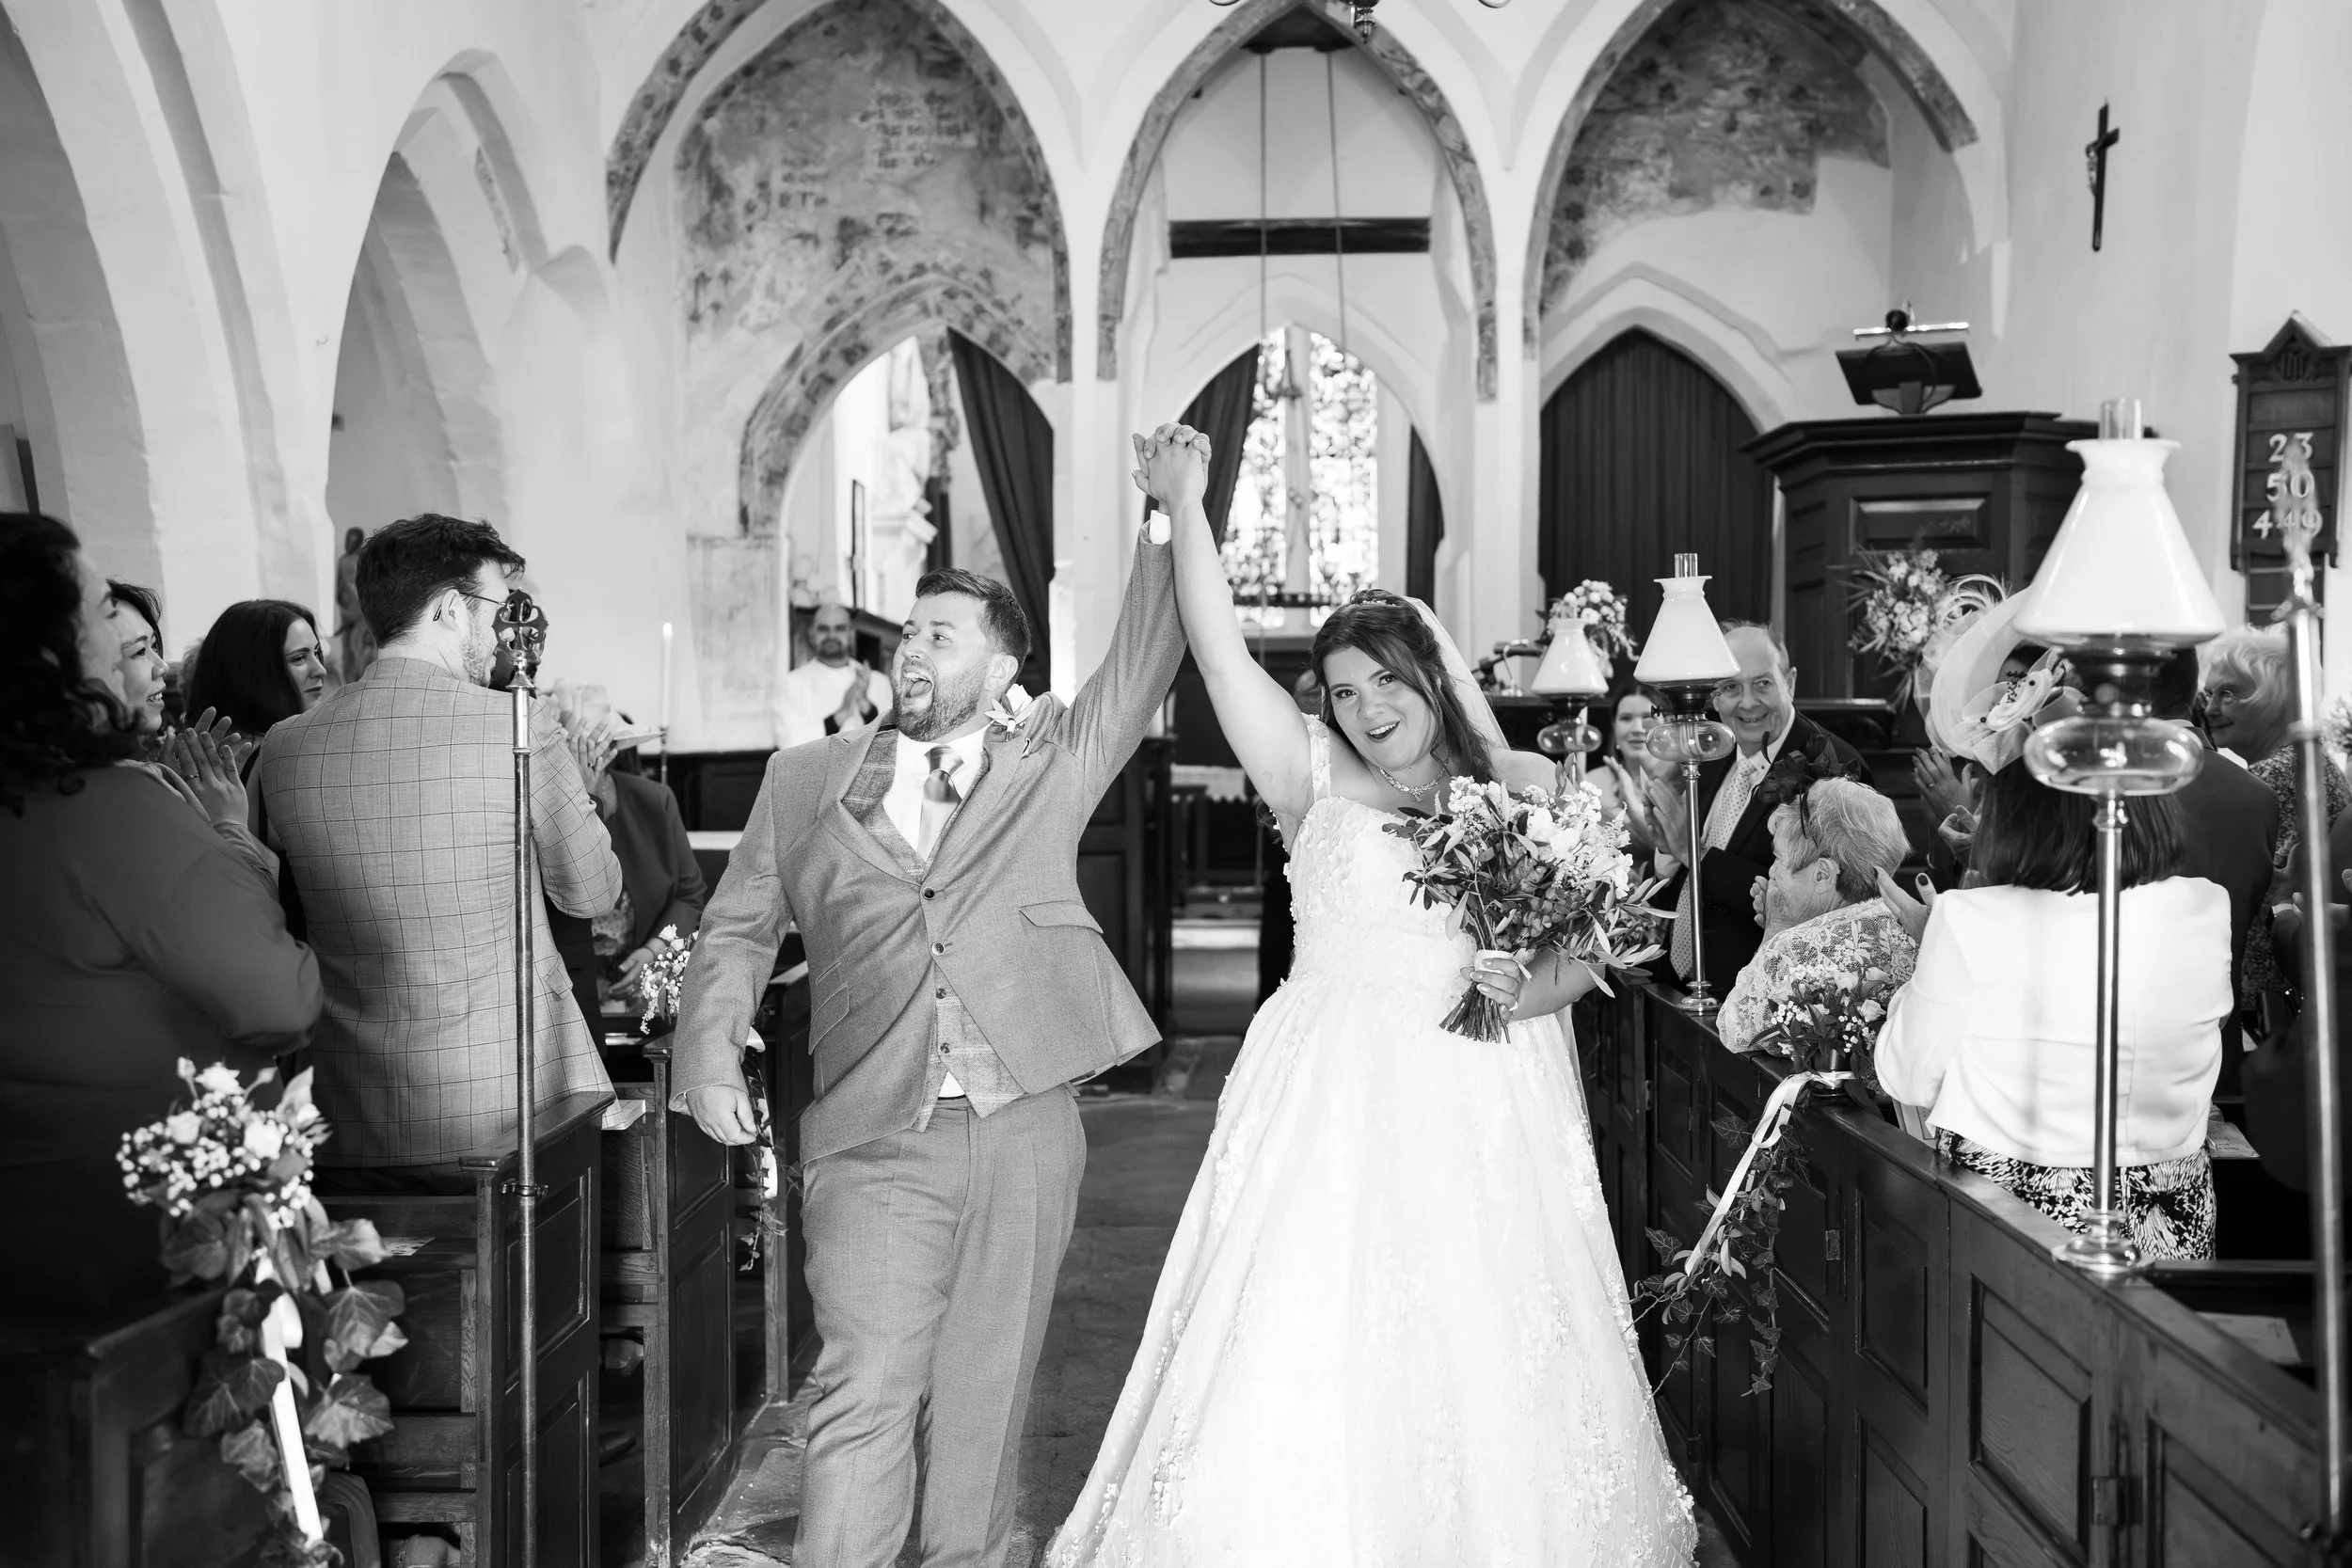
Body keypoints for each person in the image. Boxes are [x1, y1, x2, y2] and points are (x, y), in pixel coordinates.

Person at [1044, 444, 1695, 1561]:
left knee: (1477, 1326)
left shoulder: (1531, 788)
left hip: (1478, 1089)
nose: (1367, 706)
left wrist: (1523, 987)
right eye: (1344, 690)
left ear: (1430, 674)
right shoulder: (1307, 775)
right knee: (1295, 1321)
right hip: (1327, 1086)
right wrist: (1187, 509)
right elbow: (1215, 648)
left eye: (1385, 679)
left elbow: (1600, 946)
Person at [669, 428, 1191, 1568]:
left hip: (1023, 1127)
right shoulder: (804, 778)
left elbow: (1145, 660)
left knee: (984, 1398)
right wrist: (708, 1050)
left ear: (1003, 669)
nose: (911, 649)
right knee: (859, 1389)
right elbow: (741, 919)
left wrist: (1164, 518)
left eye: (940, 636)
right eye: (908, 630)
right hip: (871, 1130)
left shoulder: (1048, 755)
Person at [0, 515, 320, 1327]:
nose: (133, 644)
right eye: (103, 611)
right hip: (130, 1249)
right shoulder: (110, 811)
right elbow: (278, 998)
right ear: (50, 651)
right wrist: (231, 835)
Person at [250, 515, 621, 1180]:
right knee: (521, 1285)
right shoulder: (515, 721)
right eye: (495, 606)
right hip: (506, 1109)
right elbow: (593, 890)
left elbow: (269, 918)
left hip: (351, 1104)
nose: (505, 626)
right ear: (451, 609)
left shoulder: (285, 747)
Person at [1875, 763, 2232, 1260]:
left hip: (2017, 1206)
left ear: (2015, 824)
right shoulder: (2206, 904)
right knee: (2161, 1336)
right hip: (2176, 1198)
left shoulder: (1968, 918)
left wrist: (1929, 952)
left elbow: (1906, 1076)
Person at [1646, 619, 1871, 993]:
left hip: (1766, 993)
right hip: (1684, 984)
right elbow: (1688, 869)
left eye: (1763, 683)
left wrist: (1693, 853)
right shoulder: (1710, 754)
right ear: (1715, 697)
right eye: (1731, 687)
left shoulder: (1833, 767)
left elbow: (1824, 900)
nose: (1748, 702)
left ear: (1791, 682)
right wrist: (1669, 850)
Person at [1717, 778, 1918, 1061]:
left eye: (1779, 858)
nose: (1772, 871)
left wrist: (1776, 933)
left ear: (1822, 874)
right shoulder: (1917, 927)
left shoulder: (1791, 948)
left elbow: (1736, 1031)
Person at [2202, 626, 2348, 1003]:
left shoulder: (2273, 775)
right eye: (2209, 693)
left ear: (2275, 698)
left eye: (2228, 693)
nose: (2210, 708)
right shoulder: (2309, 763)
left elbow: (2249, 893)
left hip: (2276, 994)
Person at [549, 707, 707, 1038]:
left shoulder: (653, 798)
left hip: (647, 985)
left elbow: (688, 893)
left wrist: (651, 952)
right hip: (564, 992)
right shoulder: (545, 803)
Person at [183, 598, 330, 763]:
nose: (320, 670)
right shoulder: (274, 757)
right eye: (299, 658)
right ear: (253, 672)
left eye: (317, 653)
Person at [773, 598, 893, 750]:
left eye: (840, 628)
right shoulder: (792, 684)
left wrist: (866, 706)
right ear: (811, 634)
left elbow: (892, 740)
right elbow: (788, 743)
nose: (831, 635)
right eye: (823, 629)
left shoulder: (877, 681)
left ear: (850, 634)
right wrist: (840, 715)